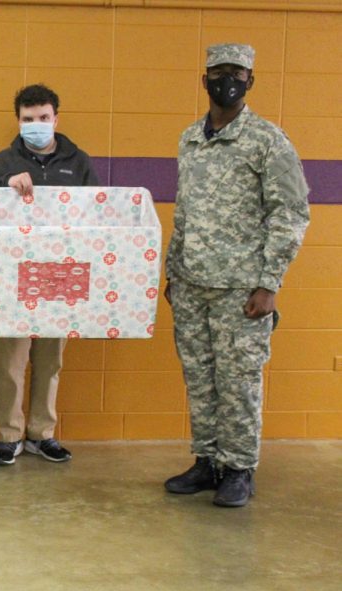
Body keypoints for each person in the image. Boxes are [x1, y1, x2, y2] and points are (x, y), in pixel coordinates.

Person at [164, 44, 309, 507]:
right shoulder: (190, 138)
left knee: (239, 380)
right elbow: (183, 213)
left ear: (251, 80)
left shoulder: (269, 140)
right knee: (200, 378)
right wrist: (173, 273)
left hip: (241, 289)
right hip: (191, 285)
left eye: (238, 72)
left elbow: (290, 214)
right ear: (203, 80)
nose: (228, 79)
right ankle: (208, 461)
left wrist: (269, 284)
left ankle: (240, 468)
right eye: (218, 72)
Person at [0, 84, 98, 466]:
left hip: (62, 275)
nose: (36, 125)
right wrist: (4, 186)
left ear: (55, 119)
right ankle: (8, 435)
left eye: (43, 118)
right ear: (18, 121)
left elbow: (96, 211)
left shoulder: (77, 162)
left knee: (50, 361)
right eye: (28, 120)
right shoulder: (3, 161)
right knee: (11, 362)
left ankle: (42, 434)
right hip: (12, 276)